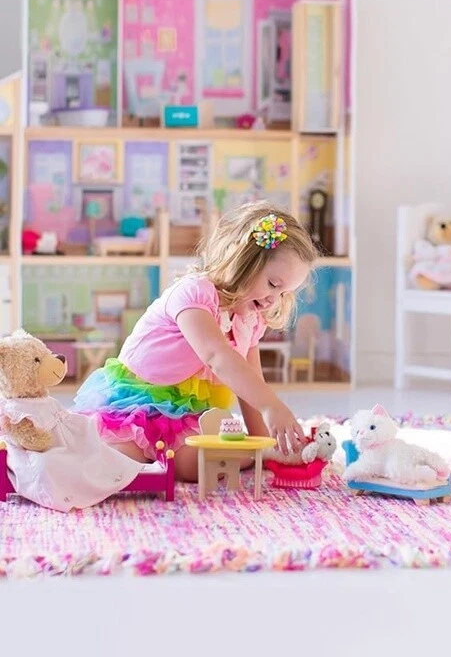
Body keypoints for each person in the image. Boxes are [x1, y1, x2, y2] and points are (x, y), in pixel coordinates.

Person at [73, 202, 316, 481]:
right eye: (273, 284)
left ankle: (168, 457)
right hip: (134, 403)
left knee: (205, 465)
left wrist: (267, 446)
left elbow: (251, 383)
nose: (274, 299)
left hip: (187, 414)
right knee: (115, 460)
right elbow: (216, 356)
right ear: (244, 260)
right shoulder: (194, 294)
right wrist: (271, 405)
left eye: (284, 293)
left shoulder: (251, 320)